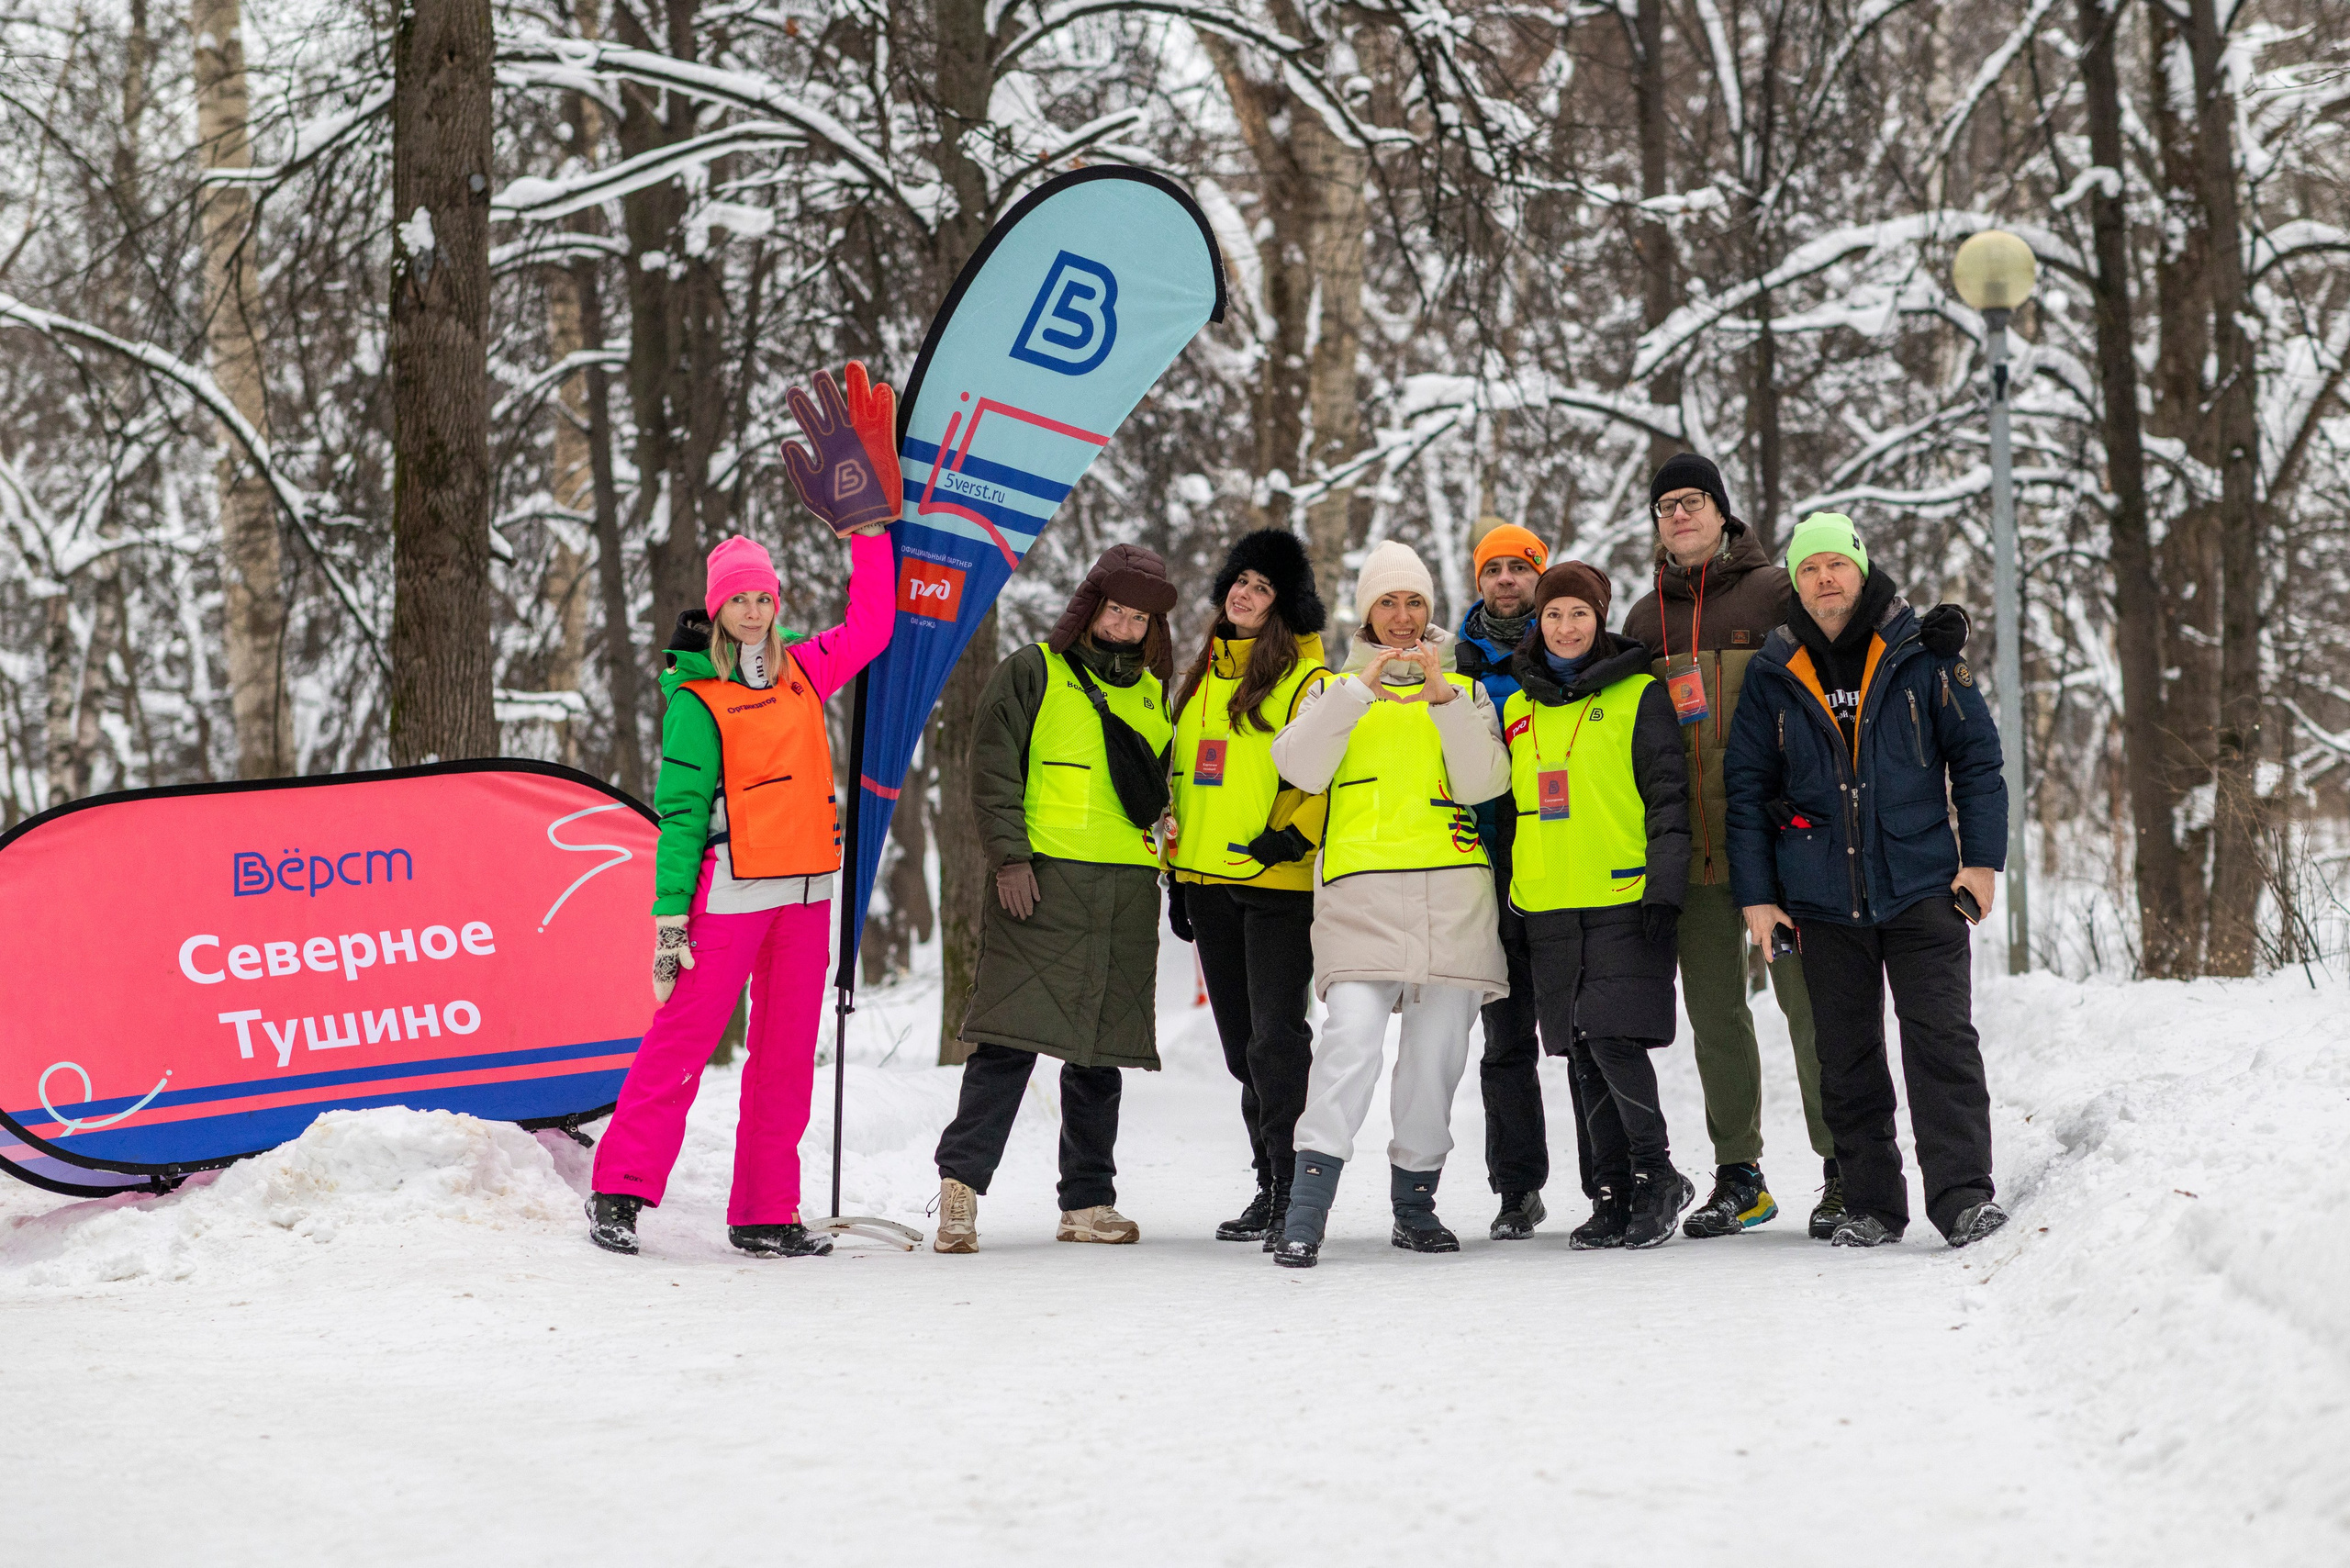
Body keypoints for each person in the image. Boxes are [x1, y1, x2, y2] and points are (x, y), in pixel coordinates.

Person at [586, 525, 892, 1257]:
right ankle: (619, 1193)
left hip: (807, 895)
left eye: (765, 597)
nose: (755, 611)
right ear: (717, 609)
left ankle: (764, 1211)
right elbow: (682, 814)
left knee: (784, 1058)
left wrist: (870, 537)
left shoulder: (803, 672)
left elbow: (873, 627)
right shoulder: (697, 698)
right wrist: (669, 920)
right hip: (728, 897)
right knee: (681, 1046)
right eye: (741, 600)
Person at [1723, 512, 2009, 1249]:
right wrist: (1758, 899)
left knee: (1940, 1042)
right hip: (1821, 897)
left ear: (1860, 568)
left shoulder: (1919, 653)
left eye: (1837, 565)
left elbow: (1977, 761)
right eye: (1810, 568)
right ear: (1795, 579)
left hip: (1921, 884)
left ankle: (1963, 1197)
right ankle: (1874, 1206)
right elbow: (1747, 790)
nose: (1825, 579)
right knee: (1845, 1054)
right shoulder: (1774, 670)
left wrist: (1981, 863)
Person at [1265, 540, 1513, 1268]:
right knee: (1349, 1045)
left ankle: (1415, 1206)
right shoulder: (1329, 688)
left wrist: (1442, 701)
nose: (1403, 619)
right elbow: (1300, 768)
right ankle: (1306, 1211)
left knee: (1435, 1058)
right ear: (1367, 611)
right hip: (1360, 893)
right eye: (1388, 602)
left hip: (1453, 894)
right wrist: (1354, 692)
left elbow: (1483, 786)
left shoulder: (1463, 692)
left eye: (1415, 604)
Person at [931, 544, 1180, 1253]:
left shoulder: (1154, 693)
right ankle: (959, 1193)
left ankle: (1088, 1203)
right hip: (1040, 885)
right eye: (1115, 610)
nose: (1125, 626)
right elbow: (992, 769)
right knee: (1008, 1044)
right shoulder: (1032, 670)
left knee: (1099, 1055)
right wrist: (1009, 859)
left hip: (1127, 890)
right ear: (1089, 608)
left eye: (1139, 618)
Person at [1619, 454, 1835, 1239]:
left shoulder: (1779, 593)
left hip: (1779, 852)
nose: (1679, 515)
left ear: (1722, 511)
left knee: (1810, 1010)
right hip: (1694, 857)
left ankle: (1842, 1166)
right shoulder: (1646, 623)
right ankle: (1740, 1176)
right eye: (1665, 506)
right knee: (1716, 1019)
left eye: (1693, 502)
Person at [1502, 563, 1695, 1249]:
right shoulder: (1517, 707)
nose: (1566, 626)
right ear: (1540, 621)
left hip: (1623, 893)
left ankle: (1656, 1175)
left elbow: (1670, 798)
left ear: (1600, 618)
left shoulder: (1639, 694)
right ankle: (1610, 1193)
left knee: (1614, 1039)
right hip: (1549, 900)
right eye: (1554, 614)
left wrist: (1666, 888)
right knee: (1580, 1048)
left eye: (1579, 614)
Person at [1163, 529, 1330, 1249]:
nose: (1245, 594)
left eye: (1262, 587)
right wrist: (1174, 875)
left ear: (1284, 603)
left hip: (1275, 881)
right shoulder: (1200, 675)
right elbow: (1181, 779)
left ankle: (1293, 1186)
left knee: (1276, 1041)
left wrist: (1294, 835)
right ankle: (1267, 1182)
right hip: (1206, 880)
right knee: (1240, 1047)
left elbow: (1327, 767)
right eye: (1239, 581)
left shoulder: (1305, 678)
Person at [1451, 519, 1586, 1241]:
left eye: (1520, 568)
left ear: (1541, 576)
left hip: (1563, 870)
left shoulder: (1568, 651)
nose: (1507, 579)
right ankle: (1517, 1189)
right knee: (1505, 1042)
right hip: (1483, 873)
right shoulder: (1455, 663)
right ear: (1479, 581)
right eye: (1493, 569)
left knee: (1582, 1035)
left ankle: (1608, 1180)